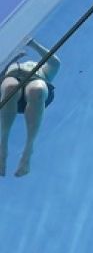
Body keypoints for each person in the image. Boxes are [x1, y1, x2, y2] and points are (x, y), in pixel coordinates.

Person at [1, 38, 60, 177]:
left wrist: (32, 43)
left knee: (37, 90)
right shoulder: (10, 67)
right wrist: (12, 57)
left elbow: (55, 62)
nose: (27, 62)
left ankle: (28, 150)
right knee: (10, 87)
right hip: (11, 79)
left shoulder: (42, 70)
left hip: (35, 82)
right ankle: (2, 145)